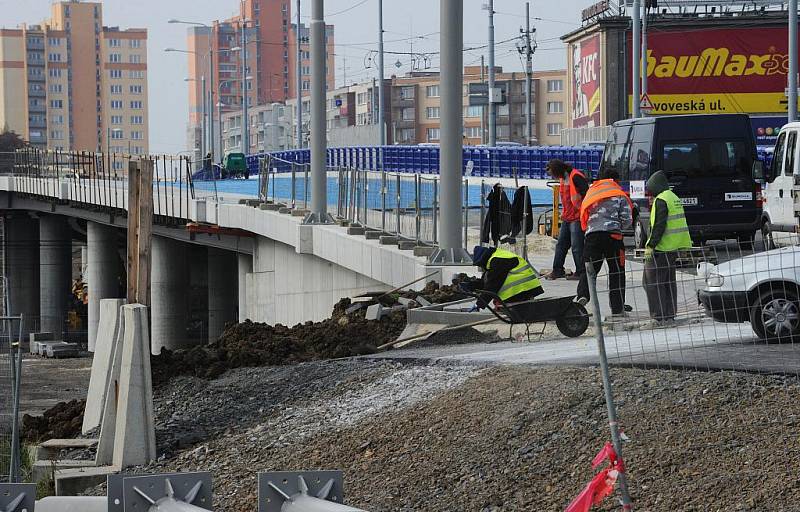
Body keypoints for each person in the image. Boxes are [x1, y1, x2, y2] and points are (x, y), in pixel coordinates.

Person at [576, 169, 633, 318]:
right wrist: (618, 228)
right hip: (613, 237)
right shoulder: (618, 193)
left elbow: (584, 212)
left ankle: (582, 296)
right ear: (615, 179)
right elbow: (627, 219)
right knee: (617, 272)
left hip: (592, 235)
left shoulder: (592, 191)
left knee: (589, 270)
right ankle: (617, 309)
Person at [643, 170, 692, 324]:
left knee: (651, 281)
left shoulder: (661, 200)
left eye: (651, 190)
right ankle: (669, 315)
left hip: (661, 248)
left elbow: (659, 226)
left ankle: (658, 316)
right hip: (673, 246)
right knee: (668, 282)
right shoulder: (673, 197)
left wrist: (651, 245)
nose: (650, 195)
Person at [544, 159, 588, 281]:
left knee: (577, 246)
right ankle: (557, 270)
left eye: (553, 174)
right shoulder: (563, 178)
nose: (553, 176)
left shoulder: (576, 176)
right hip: (568, 216)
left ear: (558, 170)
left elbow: (586, 194)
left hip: (577, 217)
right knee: (561, 245)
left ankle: (581, 272)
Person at [471, 245, 544, 309]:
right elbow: (486, 281)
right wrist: (470, 286)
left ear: (483, 260)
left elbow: (492, 285)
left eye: (480, 265)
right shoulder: (497, 257)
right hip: (524, 290)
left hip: (522, 291)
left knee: (499, 305)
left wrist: (479, 304)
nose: (481, 267)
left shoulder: (498, 261)